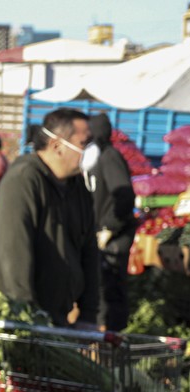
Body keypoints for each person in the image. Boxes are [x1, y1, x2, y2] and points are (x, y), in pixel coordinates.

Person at [0, 108, 99, 328]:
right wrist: (29, 319)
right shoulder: (23, 180)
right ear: (57, 146)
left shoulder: (77, 187)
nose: (91, 151)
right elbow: (15, 254)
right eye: (85, 144)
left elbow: (89, 250)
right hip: (20, 317)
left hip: (58, 315)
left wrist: (88, 315)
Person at [88, 113, 136, 331]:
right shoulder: (98, 157)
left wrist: (109, 227)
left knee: (110, 291)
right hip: (102, 234)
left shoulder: (109, 157)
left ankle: (111, 343)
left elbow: (125, 196)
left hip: (113, 237)